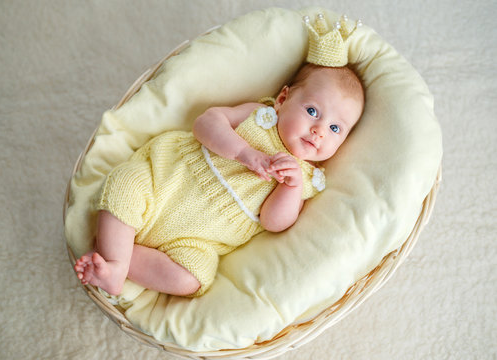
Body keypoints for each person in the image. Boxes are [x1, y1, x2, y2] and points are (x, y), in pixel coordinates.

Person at [74, 15, 365, 297]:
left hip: (197, 238)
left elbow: (272, 222)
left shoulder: (303, 178)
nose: (319, 131)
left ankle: (118, 261)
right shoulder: (259, 115)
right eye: (312, 111)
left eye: (335, 128)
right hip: (167, 179)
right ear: (282, 99)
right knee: (124, 183)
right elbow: (206, 123)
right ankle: (114, 262)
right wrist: (244, 152)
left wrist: (290, 187)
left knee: (194, 277)